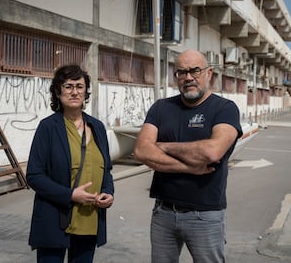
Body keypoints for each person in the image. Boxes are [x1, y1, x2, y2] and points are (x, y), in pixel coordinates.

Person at [134, 49, 242, 263]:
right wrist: (189, 167)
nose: (188, 77)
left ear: (209, 73)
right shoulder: (161, 107)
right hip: (163, 212)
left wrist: (163, 147)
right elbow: (141, 151)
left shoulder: (225, 109)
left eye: (195, 70)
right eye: (181, 72)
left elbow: (212, 152)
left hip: (205, 215)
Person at [26, 64, 114, 263]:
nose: (75, 92)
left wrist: (108, 192)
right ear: (58, 92)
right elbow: (34, 175)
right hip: (55, 219)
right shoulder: (48, 128)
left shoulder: (97, 127)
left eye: (80, 86)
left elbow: (106, 170)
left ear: (86, 91)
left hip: (89, 218)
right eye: (68, 86)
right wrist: (70, 195)